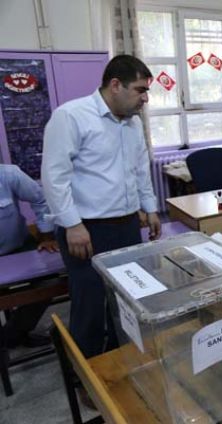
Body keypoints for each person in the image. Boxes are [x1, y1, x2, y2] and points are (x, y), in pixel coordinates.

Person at [41, 54, 161, 359]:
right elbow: (54, 176)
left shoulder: (133, 122)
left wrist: (150, 208)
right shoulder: (71, 116)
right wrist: (72, 224)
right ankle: (85, 372)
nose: (145, 98)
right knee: (90, 304)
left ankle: (118, 361)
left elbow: (140, 170)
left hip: (127, 225)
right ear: (115, 85)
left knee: (125, 300)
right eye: (140, 90)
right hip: (87, 229)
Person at [1, 164, 59, 348]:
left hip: (20, 247)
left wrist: (47, 236)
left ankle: (13, 334)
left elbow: (40, 199)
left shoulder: (8, 174)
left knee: (50, 283)